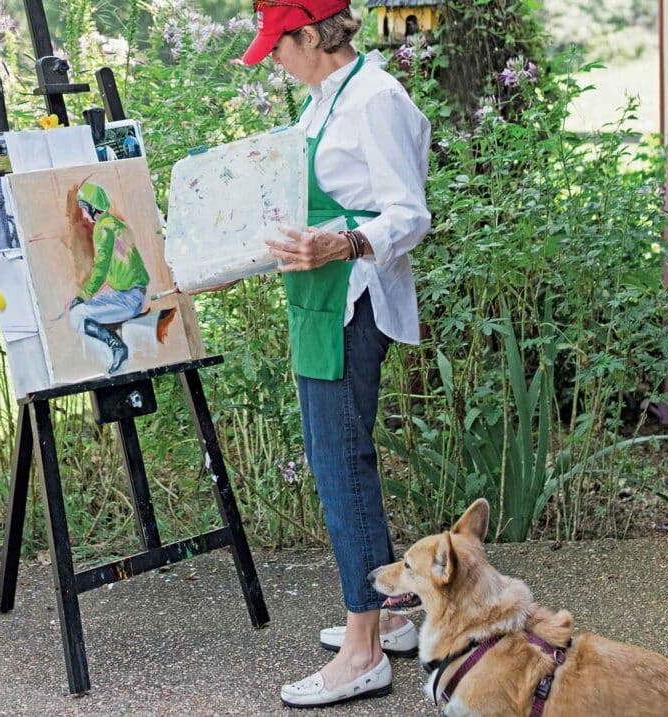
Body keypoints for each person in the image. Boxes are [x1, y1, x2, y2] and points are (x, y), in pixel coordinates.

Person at [239, 0, 431, 707]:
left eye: (280, 45)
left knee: (339, 465)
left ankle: (364, 651)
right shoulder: (325, 100)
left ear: (313, 34)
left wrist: (338, 242)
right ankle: (393, 610)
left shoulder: (376, 99)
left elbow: (409, 214)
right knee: (336, 458)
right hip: (317, 303)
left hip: (350, 305)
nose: (274, 59)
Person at [65, 180, 150, 374]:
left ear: (92, 207)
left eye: (84, 208)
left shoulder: (103, 229)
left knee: (77, 315)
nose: (83, 213)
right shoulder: (114, 223)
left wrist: (83, 296)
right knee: (79, 310)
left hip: (129, 298)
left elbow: (101, 269)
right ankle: (115, 346)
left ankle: (117, 347)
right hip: (129, 293)